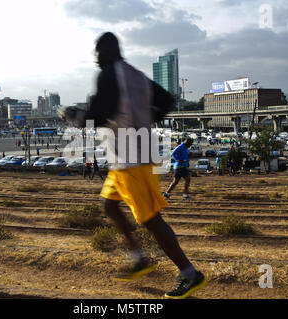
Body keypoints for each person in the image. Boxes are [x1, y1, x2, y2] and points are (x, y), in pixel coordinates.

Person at [58, 32, 206, 299]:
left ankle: (189, 273)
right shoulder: (135, 75)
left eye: (96, 52)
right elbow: (166, 100)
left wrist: (72, 115)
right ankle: (139, 257)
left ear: (104, 52)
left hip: (133, 159)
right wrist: (146, 120)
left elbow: (99, 115)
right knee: (109, 205)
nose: (95, 58)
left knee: (150, 218)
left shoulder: (108, 74)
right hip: (124, 159)